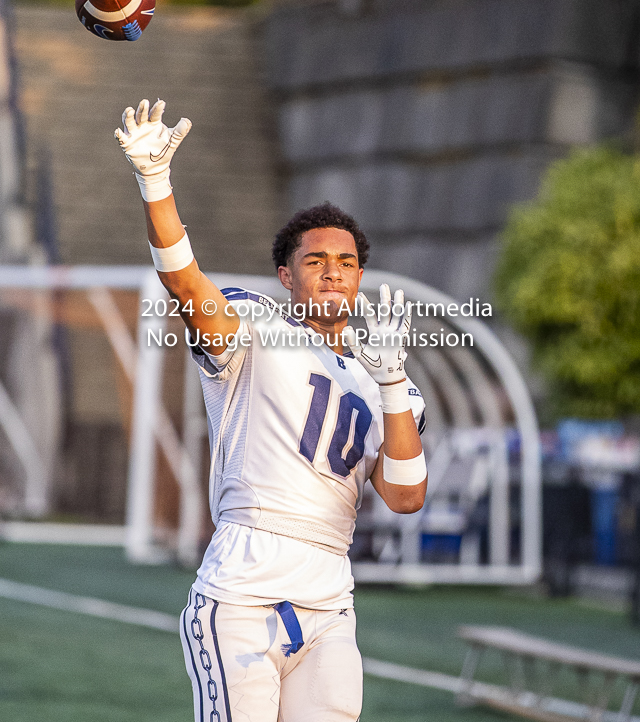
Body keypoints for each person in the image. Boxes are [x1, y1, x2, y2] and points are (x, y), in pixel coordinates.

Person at [115, 99, 428, 722]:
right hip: (241, 590)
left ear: (361, 277)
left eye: (345, 264)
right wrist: (156, 184)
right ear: (286, 276)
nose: (332, 274)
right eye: (315, 261)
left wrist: (391, 382)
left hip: (330, 601)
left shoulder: (389, 383)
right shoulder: (255, 327)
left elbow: (406, 496)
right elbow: (185, 285)